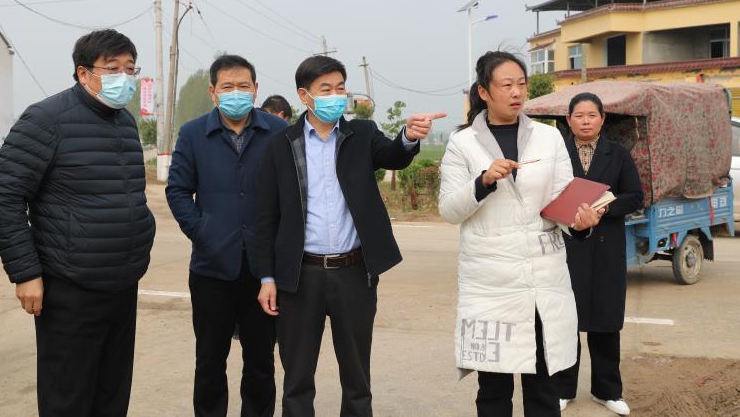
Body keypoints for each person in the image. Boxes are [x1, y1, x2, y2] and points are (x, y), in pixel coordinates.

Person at [252, 55, 444, 417]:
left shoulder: (362, 134)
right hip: (299, 276)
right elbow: (265, 217)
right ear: (304, 96)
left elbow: (393, 155)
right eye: (325, 89)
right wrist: (266, 277)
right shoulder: (281, 144)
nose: (335, 96)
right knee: (297, 379)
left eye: (340, 88)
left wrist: (408, 136)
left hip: (354, 272)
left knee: (357, 379)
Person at [0, 29, 155, 417]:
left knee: (112, 394)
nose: (124, 77)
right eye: (112, 68)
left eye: (130, 69)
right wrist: (26, 273)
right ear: (83, 73)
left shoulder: (125, 123)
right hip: (70, 287)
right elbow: (5, 196)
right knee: (69, 397)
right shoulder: (46, 119)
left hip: (122, 283)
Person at [438, 51, 603, 417]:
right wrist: (482, 182)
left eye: (522, 84)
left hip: (542, 279)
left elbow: (561, 200)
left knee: (544, 388)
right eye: (506, 85)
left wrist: (580, 223)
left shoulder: (549, 137)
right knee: (493, 390)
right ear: (484, 92)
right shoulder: (462, 143)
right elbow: (449, 209)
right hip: (490, 283)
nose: (516, 92)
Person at [166, 54, 287, 417]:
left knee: (261, 361)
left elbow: (290, 191)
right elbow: (177, 191)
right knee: (209, 361)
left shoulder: (277, 131)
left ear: (256, 89)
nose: (236, 93)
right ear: (213, 92)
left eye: (243, 86)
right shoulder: (193, 133)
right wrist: (203, 231)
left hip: (263, 269)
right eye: (228, 86)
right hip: (211, 267)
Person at [555, 93, 643, 416]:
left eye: (592, 115)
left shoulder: (618, 154)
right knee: (566, 321)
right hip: (567, 246)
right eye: (579, 116)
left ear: (603, 119)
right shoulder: (557, 154)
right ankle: (562, 389)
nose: (586, 121)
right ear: (569, 120)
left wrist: (605, 207)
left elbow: (635, 196)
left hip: (607, 248)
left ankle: (607, 391)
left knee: (606, 321)